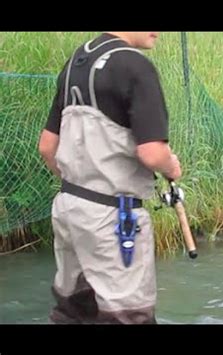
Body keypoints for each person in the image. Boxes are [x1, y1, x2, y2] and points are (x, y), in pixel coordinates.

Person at [38, 32, 181, 324]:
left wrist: (82, 187)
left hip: (68, 209)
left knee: (73, 313)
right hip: (115, 221)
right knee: (127, 317)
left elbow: (47, 147)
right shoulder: (135, 66)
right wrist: (173, 168)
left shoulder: (74, 64)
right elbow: (153, 153)